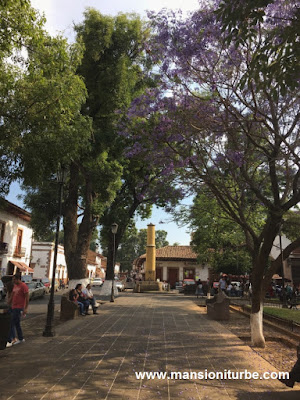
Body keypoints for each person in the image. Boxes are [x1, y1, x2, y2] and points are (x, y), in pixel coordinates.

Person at [6, 273, 29, 348]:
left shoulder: (23, 286)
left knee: (11, 323)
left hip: (19, 307)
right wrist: (8, 303)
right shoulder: (15, 286)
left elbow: (27, 297)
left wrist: (25, 308)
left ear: (18, 279)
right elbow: (12, 295)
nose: (13, 281)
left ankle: (11, 339)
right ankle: (21, 338)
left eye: (14, 279)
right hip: (13, 306)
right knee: (17, 323)